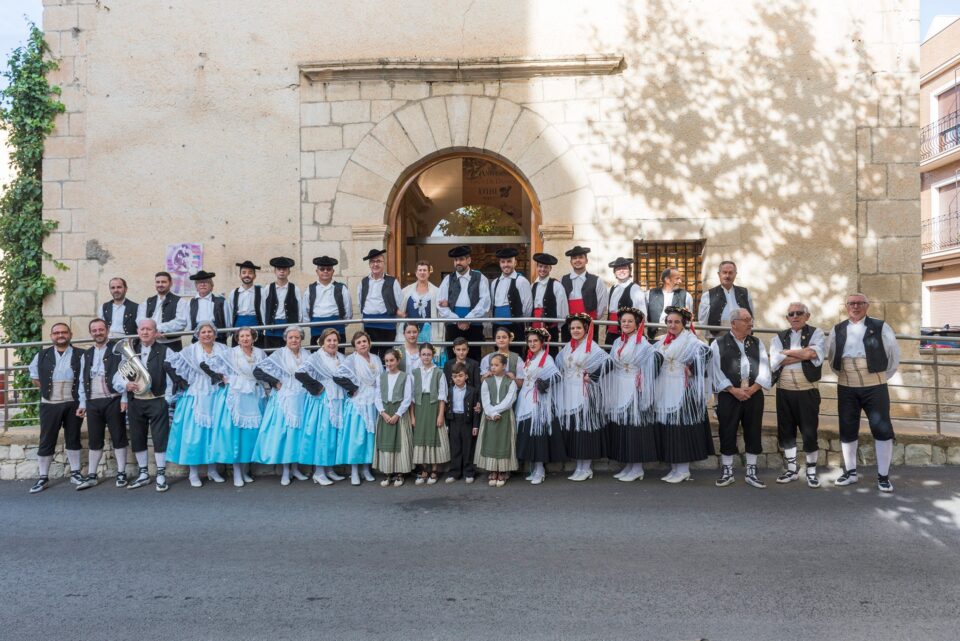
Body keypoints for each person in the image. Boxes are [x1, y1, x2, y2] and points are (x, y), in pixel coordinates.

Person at [826, 293, 901, 493]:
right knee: (847, 428)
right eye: (851, 303)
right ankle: (850, 473)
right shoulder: (837, 329)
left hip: (875, 386)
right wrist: (848, 376)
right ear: (846, 306)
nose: (855, 306)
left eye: (860, 303)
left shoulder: (881, 326)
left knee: (882, 429)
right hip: (846, 386)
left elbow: (893, 355)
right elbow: (832, 356)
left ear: (867, 306)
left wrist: (878, 377)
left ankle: (883, 477)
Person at [111, 319, 176, 492]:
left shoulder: (166, 351)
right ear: (138, 332)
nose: (145, 332)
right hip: (136, 401)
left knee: (160, 437)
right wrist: (126, 385)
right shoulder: (130, 351)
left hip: (157, 399)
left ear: (155, 332)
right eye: (142, 329)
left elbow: (171, 377)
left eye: (149, 329)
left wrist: (167, 400)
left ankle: (161, 474)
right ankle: (143, 474)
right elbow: (117, 377)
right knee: (138, 437)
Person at [711, 308, 772, 489]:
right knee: (727, 430)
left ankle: (751, 471)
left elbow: (765, 367)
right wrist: (732, 390)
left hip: (753, 393)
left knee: (753, 430)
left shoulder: (757, 343)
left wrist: (753, 389)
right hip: (728, 395)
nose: (750, 323)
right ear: (734, 323)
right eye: (746, 320)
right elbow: (715, 370)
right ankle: (727, 471)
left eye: (750, 319)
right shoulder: (718, 343)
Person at [165, 321, 231, 488]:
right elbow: (169, 363)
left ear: (215, 334)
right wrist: (178, 380)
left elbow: (232, 367)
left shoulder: (223, 349)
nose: (207, 334)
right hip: (196, 392)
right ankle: (193, 473)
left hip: (217, 393)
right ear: (198, 335)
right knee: (194, 434)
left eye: (210, 331)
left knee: (214, 433)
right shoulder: (191, 350)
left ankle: (212, 470)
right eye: (203, 332)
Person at [654, 307, 714, 483]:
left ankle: (683, 470)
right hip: (666, 387)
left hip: (682, 389)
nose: (672, 325)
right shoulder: (663, 340)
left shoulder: (690, 340)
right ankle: (674, 468)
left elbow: (707, 352)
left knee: (681, 430)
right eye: (669, 322)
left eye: (676, 322)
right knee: (670, 429)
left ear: (684, 324)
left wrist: (692, 369)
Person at [769, 302, 825, 488]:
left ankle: (811, 471)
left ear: (807, 316)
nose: (795, 316)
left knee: (809, 431)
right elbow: (775, 361)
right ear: (787, 318)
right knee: (786, 431)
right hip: (784, 390)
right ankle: (792, 469)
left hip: (807, 390)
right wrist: (801, 354)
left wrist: (786, 353)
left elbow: (812, 354)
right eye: (791, 314)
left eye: (799, 313)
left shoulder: (816, 333)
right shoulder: (779, 336)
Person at [204, 326, 268, 487]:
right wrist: (222, 378)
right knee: (236, 436)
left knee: (250, 436)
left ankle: (245, 470)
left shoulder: (260, 353)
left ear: (253, 338)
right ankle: (237, 472)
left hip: (254, 395)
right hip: (237, 394)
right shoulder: (230, 353)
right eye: (242, 336)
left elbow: (265, 371)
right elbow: (208, 364)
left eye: (248, 336)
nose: (245, 338)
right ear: (237, 339)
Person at [604, 308, 660, 482]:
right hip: (620, 386)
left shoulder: (642, 342)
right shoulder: (617, 342)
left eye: (630, 321)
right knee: (623, 427)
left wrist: (643, 375)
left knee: (634, 428)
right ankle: (628, 465)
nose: (626, 324)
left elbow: (656, 358)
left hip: (634, 388)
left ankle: (637, 468)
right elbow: (611, 362)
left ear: (637, 324)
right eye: (623, 321)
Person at [28, 323, 84, 493]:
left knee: (73, 436)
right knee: (47, 439)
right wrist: (49, 390)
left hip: (73, 401)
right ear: (52, 336)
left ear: (70, 334)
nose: (60, 335)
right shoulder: (41, 355)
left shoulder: (81, 354)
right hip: (49, 403)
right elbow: (35, 377)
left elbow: (85, 379)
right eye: (56, 333)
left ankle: (75, 473)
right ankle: (43, 477)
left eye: (64, 332)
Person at [251, 325, 311, 486]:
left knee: (297, 434)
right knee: (286, 435)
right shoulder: (279, 354)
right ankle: (285, 470)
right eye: (291, 337)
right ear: (285, 339)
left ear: (301, 339)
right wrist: (274, 381)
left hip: (302, 397)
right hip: (284, 399)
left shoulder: (307, 354)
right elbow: (258, 371)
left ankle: (295, 468)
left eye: (297, 337)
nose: (294, 340)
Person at [555, 313, 610, 481]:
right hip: (570, 392)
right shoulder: (568, 347)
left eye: (579, 327)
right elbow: (559, 363)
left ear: (586, 329)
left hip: (584, 392)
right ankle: (579, 467)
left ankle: (586, 468)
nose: (575, 330)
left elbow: (608, 362)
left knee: (584, 430)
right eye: (572, 328)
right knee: (575, 429)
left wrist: (592, 376)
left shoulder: (591, 346)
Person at [76, 318, 128, 490]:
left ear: (107, 330)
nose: (98, 333)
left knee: (118, 436)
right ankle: (92, 474)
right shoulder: (86, 354)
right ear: (91, 333)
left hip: (113, 399)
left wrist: (124, 398)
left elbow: (126, 375)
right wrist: (82, 403)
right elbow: (82, 380)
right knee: (95, 439)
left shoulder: (117, 351)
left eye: (101, 329)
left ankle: (121, 473)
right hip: (92, 402)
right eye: (94, 330)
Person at [294, 327, 347, 486]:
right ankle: (318, 472)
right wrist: (317, 387)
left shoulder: (341, 357)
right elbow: (299, 373)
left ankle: (329, 469)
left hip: (338, 398)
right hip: (323, 401)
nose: (332, 343)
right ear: (322, 342)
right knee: (322, 436)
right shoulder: (316, 357)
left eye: (335, 340)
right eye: (328, 340)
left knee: (333, 435)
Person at [515, 327, 564, 485]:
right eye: (529, 341)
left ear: (542, 342)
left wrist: (544, 384)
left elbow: (557, 376)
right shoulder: (531, 358)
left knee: (537, 435)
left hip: (538, 402)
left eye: (535, 341)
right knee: (530, 435)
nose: (532, 344)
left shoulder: (546, 358)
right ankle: (535, 469)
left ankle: (540, 470)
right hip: (526, 400)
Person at [332, 331, 381, 485]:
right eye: (359, 342)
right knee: (356, 437)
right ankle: (354, 471)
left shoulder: (376, 358)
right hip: (359, 402)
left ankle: (366, 469)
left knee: (369, 437)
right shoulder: (351, 359)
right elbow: (337, 376)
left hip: (373, 400)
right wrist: (352, 388)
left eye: (364, 341)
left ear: (369, 343)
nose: (362, 344)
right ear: (355, 346)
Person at [437, 245, 491, 361]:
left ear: (469, 260)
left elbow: (485, 302)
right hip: (453, 326)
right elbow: (440, 304)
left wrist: (468, 319)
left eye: (461, 259)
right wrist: (457, 320)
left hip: (474, 325)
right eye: (456, 260)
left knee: (474, 357)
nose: (458, 262)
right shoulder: (448, 279)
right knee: (453, 359)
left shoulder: (480, 277)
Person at [475, 353, 519, 487]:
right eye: (491, 365)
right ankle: (493, 470)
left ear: (504, 366)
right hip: (489, 416)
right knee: (491, 441)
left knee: (504, 442)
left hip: (505, 416)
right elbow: (485, 400)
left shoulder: (511, 382)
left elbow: (509, 401)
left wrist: (494, 412)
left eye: (496, 365)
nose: (493, 367)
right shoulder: (487, 382)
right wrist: (491, 413)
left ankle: (503, 471)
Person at [410, 343, 450, 485]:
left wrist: (440, 415)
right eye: (423, 354)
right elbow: (412, 397)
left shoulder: (439, 372)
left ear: (432, 355)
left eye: (428, 354)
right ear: (420, 355)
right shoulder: (414, 373)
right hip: (420, 407)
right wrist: (412, 416)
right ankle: (424, 469)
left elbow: (442, 396)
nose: (426, 357)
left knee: (434, 437)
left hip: (434, 407)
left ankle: (434, 469)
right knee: (421, 438)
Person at [373, 349, 414, 487]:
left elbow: (407, 398)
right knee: (386, 443)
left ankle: (400, 473)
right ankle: (387, 472)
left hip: (399, 413)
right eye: (386, 361)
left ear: (397, 361)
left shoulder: (405, 377)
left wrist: (397, 414)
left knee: (400, 442)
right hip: (385, 412)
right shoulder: (380, 377)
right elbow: (377, 397)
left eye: (391, 360)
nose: (389, 363)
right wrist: (383, 413)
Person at [358, 248, 403, 358]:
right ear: (369, 264)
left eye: (378, 261)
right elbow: (360, 302)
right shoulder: (363, 282)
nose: (375, 264)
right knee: (369, 355)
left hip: (387, 325)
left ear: (383, 263)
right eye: (372, 261)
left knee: (386, 356)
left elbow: (399, 303)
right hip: (369, 325)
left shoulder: (392, 281)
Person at [490, 247, 532, 355]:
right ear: (499, 263)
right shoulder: (494, 283)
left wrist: (519, 323)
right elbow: (493, 304)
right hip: (497, 326)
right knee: (499, 355)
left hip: (515, 327)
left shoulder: (521, 281)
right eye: (503, 262)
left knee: (515, 354)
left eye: (509, 261)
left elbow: (527, 307)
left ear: (515, 263)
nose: (506, 264)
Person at [560, 246, 608, 343]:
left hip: (589, 325)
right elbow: (560, 304)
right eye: (574, 258)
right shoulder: (562, 280)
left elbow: (602, 305)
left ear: (586, 260)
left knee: (589, 350)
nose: (577, 260)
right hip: (569, 326)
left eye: (581, 257)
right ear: (571, 262)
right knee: (569, 350)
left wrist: (590, 320)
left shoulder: (597, 280)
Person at [697, 260, 754, 340]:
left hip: (742, 338)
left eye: (730, 273)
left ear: (735, 274)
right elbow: (702, 321)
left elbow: (751, 317)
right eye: (724, 272)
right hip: (718, 338)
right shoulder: (708, 295)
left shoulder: (745, 293)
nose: (727, 276)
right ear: (719, 274)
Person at [444, 362, 480, 484]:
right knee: (455, 447)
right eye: (455, 376)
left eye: (460, 375)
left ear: (466, 376)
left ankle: (468, 472)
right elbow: (445, 409)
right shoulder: (449, 391)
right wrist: (447, 424)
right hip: (454, 420)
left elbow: (476, 410)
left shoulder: (472, 391)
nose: (458, 378)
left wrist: (475, 425)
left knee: (467, 447)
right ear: (451, 377)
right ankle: (455, 472)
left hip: (467, 421)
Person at [302, 256, 351, 346]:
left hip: (337, 329)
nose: (325, 271)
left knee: (338, 353)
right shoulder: (310, 289)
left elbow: (348, 311)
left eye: (328, 269)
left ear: (333, 271)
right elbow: (305, 311)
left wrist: (341, 324)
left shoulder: (341, 288)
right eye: (322, 269)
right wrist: (312, 324)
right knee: (317, 354)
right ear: (317, 271)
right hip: (317, 330)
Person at [395, 260, 445, 347]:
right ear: (416, 272)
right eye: (420, 270)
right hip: (410, 332)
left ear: (429, 273)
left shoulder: (437, 292)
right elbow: (398, 307)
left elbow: (441, 313)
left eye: (425, 270)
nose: (422, 272)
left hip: (429, 333)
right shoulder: (406, 291)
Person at [137, 271, 187, 352]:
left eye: (163, 282)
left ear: (170, 283)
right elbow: (140, 320)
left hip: (172, 344)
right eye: (158, 282)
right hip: (149, 343)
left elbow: (181, 322)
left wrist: (157, 329)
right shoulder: (147, 301)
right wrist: (151, 331)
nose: (160, 284)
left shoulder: (180, 301)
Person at [530, 252, 568, 355]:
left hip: (550, 327)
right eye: (540, 266)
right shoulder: (533, 285)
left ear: (550, 268)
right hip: (534, 325)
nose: (542, 269)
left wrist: (557, 326)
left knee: (550, 352)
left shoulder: (557, 285)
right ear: (537, 267)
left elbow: (562, 308)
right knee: (534, 351)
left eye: (546, 267)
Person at [604, 258, 646, 346]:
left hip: (628, 333)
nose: (621, 271)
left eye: (624, 268)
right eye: (618, 269)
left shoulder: (635, 288)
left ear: (630, 270)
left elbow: (642, 314)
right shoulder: (611, 289)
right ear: (614, 272)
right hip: (611, 332)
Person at [261, 257, 301, 350]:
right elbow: (262, 309)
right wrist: (266, 325)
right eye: (279, 269)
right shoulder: (267, 288)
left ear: (289, 271)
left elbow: (299, 311)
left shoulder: (295, 289)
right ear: (275, 271)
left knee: (289, 354)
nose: (282, 271)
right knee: (271, 354)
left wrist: (295, 327)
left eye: (284, 269)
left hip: (289, 330)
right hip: (271, 330)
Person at [646, 267, 693, 341]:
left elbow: (689, 319)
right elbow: (644, 317)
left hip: (678, 337)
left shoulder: (686, 295)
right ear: (667, 280)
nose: (680, 281)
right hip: (656, 336)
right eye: (677, 278)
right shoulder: (650, 294)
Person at [225, 260, 264, 347]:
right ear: (240, 275)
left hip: (256, 327)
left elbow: (264, 311)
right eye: (244, 272)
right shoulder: (234, 293)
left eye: (250, 272)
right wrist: (229, 329)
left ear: (255, 276)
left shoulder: (261, 292)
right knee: (237, 352)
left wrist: (264, 328)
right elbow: (230, 313)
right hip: (238, 328)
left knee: (256, 351)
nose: (247, 275)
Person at [187, 271, 230, 344]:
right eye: (199, 282)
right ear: (196, 286)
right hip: (198, 339)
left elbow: (227, 323)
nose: (202, 284)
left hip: (218, 339)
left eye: (206, 282)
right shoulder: (191, 303)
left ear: (211, 285)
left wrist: (223, 337)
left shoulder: (221, 301)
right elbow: (189, 325)